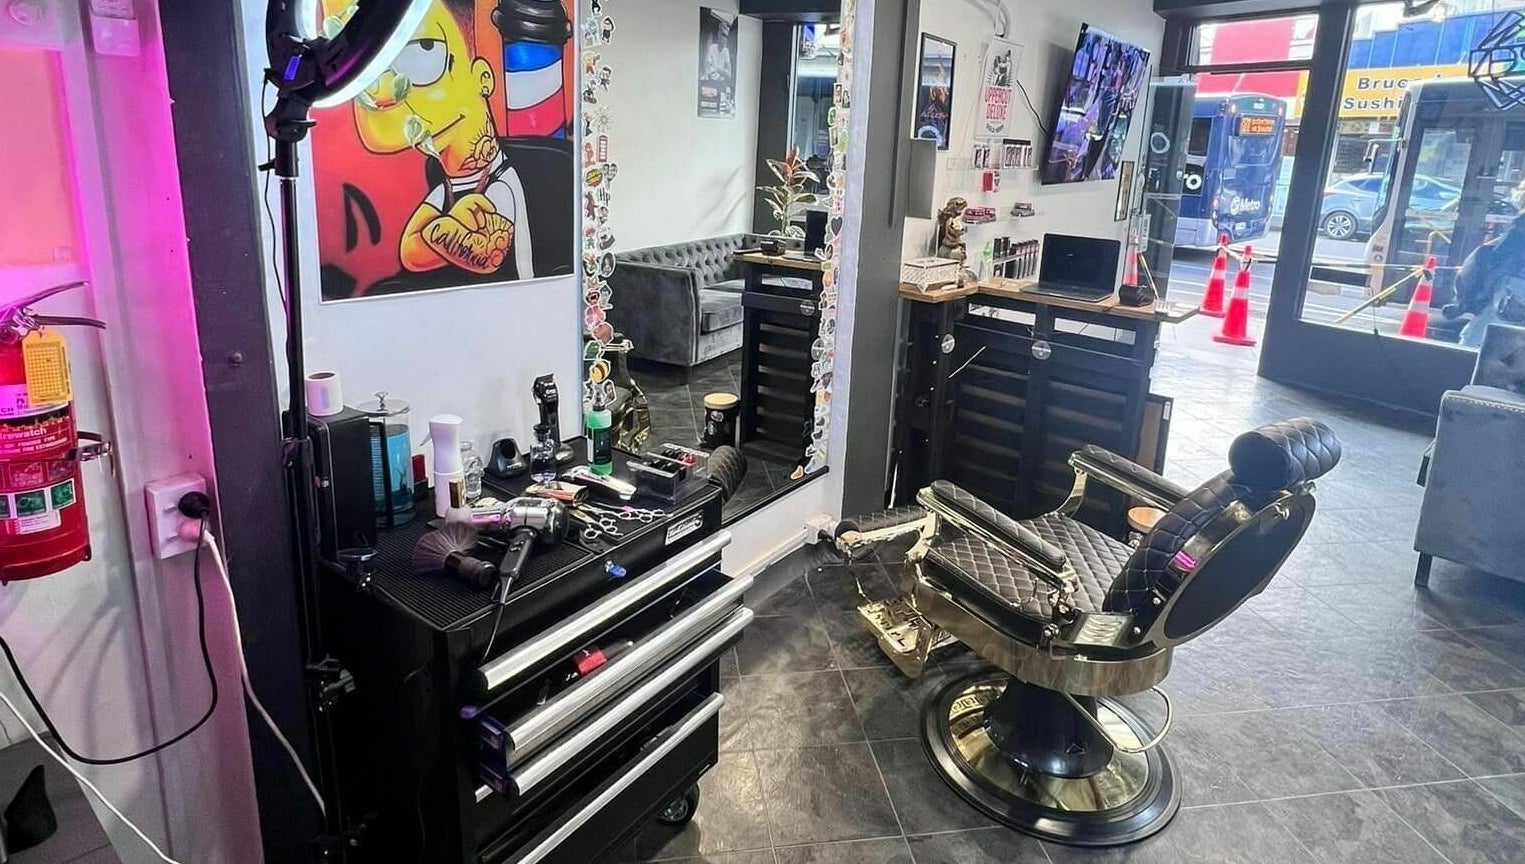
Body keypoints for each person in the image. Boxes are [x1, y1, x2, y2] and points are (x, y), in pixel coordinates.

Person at [339, 0, 536, 281]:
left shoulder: (501, 182)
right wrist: (449, 224)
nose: (388, 93)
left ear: (482, 78)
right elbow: (410, 253)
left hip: (514, 312)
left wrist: (434, 228)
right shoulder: (447, 184)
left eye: (426, 48)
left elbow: (487, 255)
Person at [1451, 212, 1525, 348]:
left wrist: (1464, 301)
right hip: (1511, 295)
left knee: (1475, 346)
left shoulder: (1513, 236)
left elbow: (1484, 264)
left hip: (1508, 296)